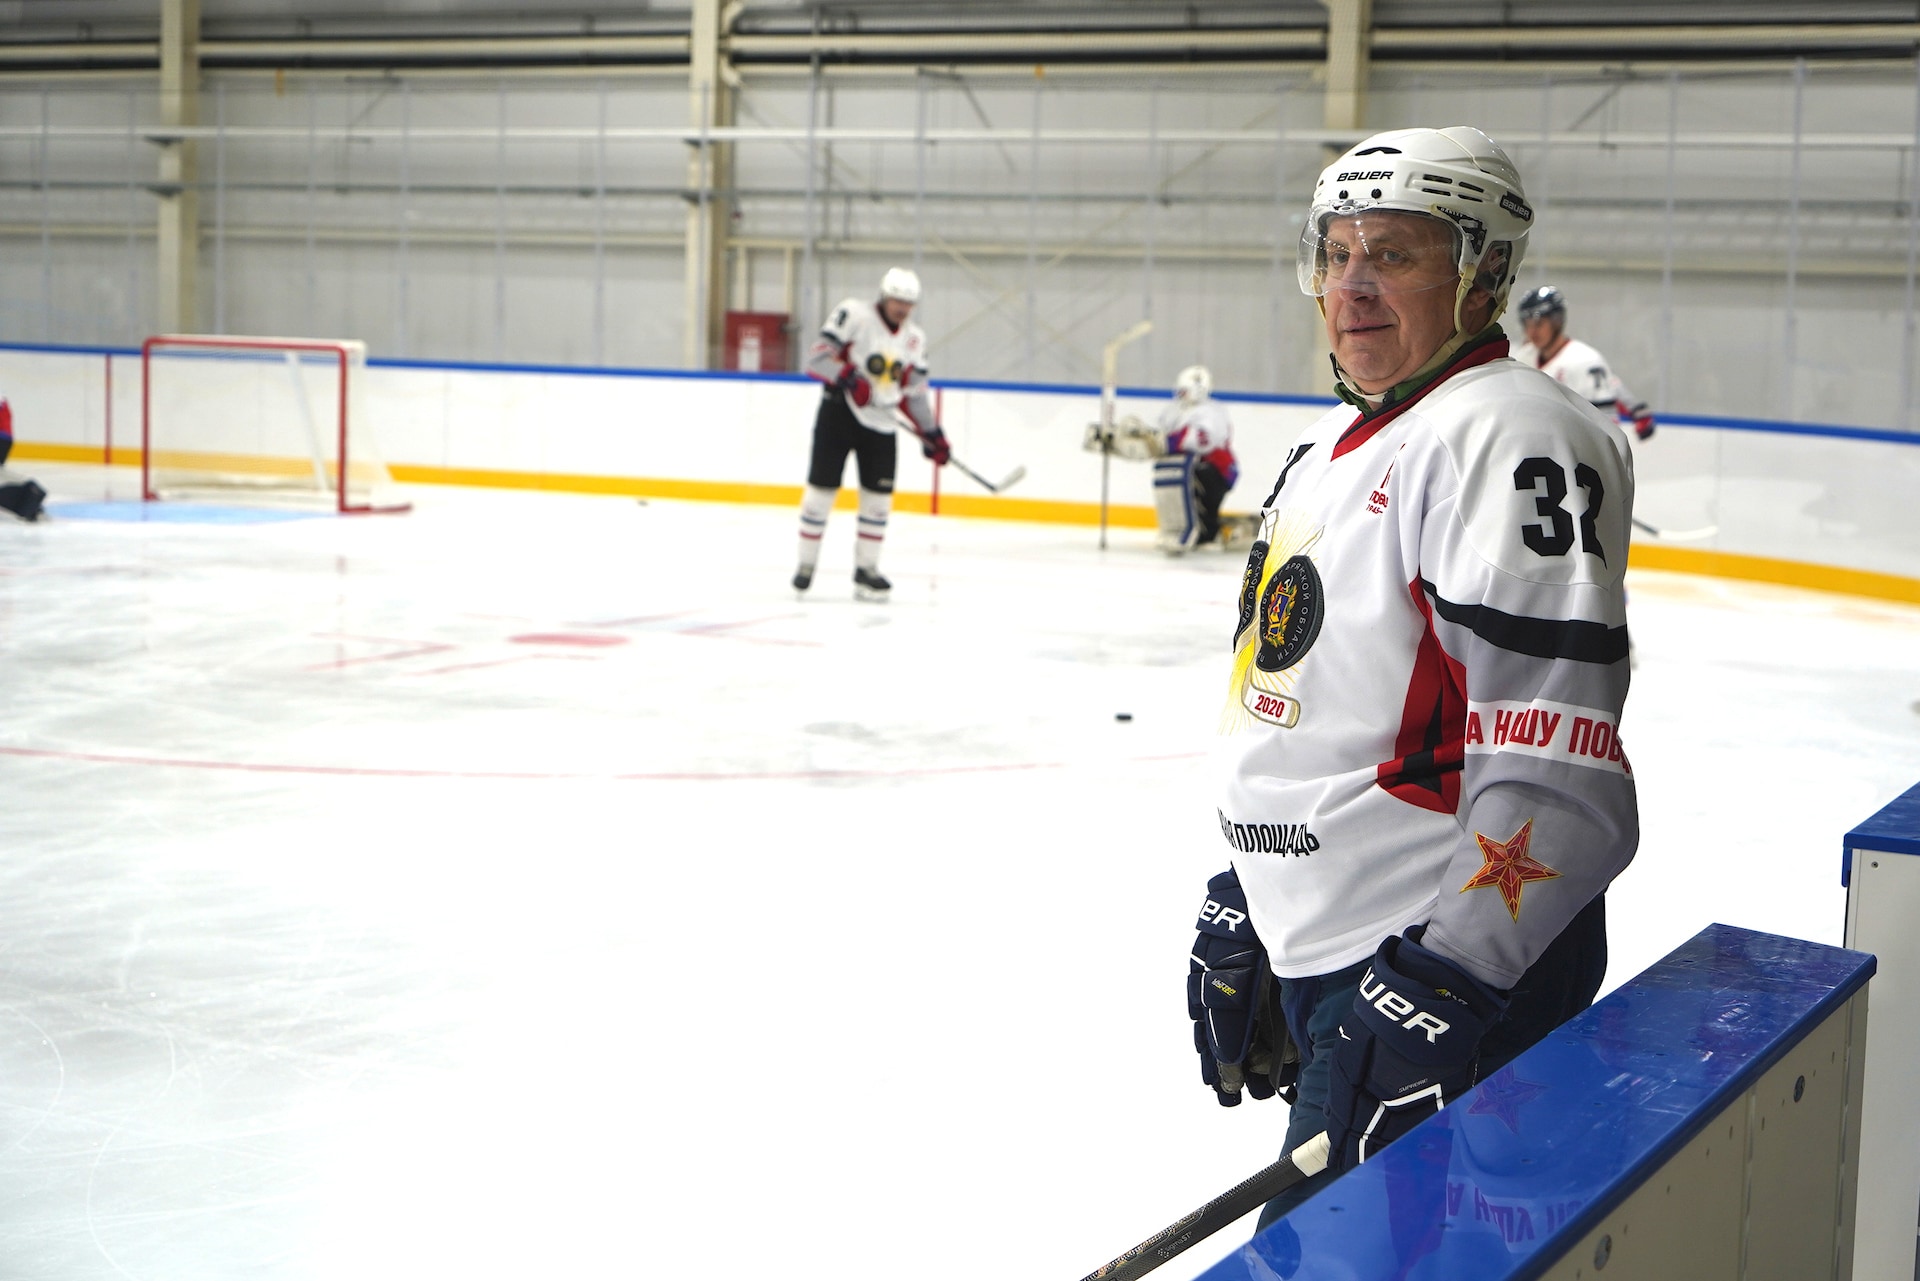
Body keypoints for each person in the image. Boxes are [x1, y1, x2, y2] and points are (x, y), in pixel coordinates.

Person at [1186, 126, 1639, 1229]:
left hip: (1440, 957)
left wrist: (1453, 979)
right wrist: (1258, 889)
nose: (1351, 287)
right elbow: (1314, 695)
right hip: (1351, 948)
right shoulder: (1336, 439)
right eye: (1337, 253)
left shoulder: (1507, 433)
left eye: (1392, 255)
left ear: (1487, 273)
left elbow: (1558, 764)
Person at [791, 267, 949, 602]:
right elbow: (817, 359)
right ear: (883, 296)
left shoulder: (914, 339)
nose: (902, 308)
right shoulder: (854, 315)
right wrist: (848, 377)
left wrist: (932, 433)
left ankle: (867, 569)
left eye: (908, 303)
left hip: (882, 423)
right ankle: (806, 564)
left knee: (878, 502)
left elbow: (914, 393)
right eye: (896, 300)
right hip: (839, 413)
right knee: (820, 493)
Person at [1513, 285, 1656, 441]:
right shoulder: (1523, 357)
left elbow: (1607, 428)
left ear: (1557, 321)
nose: (1532, 332)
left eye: (1539, 324)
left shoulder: (1586, 361)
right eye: (1527, 324)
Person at [1153, 365, 1239, 550]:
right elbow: (1161, 432)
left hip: (1219, 468)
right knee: (1178, 491)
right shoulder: (1177, 409)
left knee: (1203, 494)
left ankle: (1208, 534)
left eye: (1184, 390)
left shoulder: (1211, 410)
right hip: (1191, 465)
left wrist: (1170, 442)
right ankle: (1184, 530)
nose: (1181, 394)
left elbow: (1203, 440)